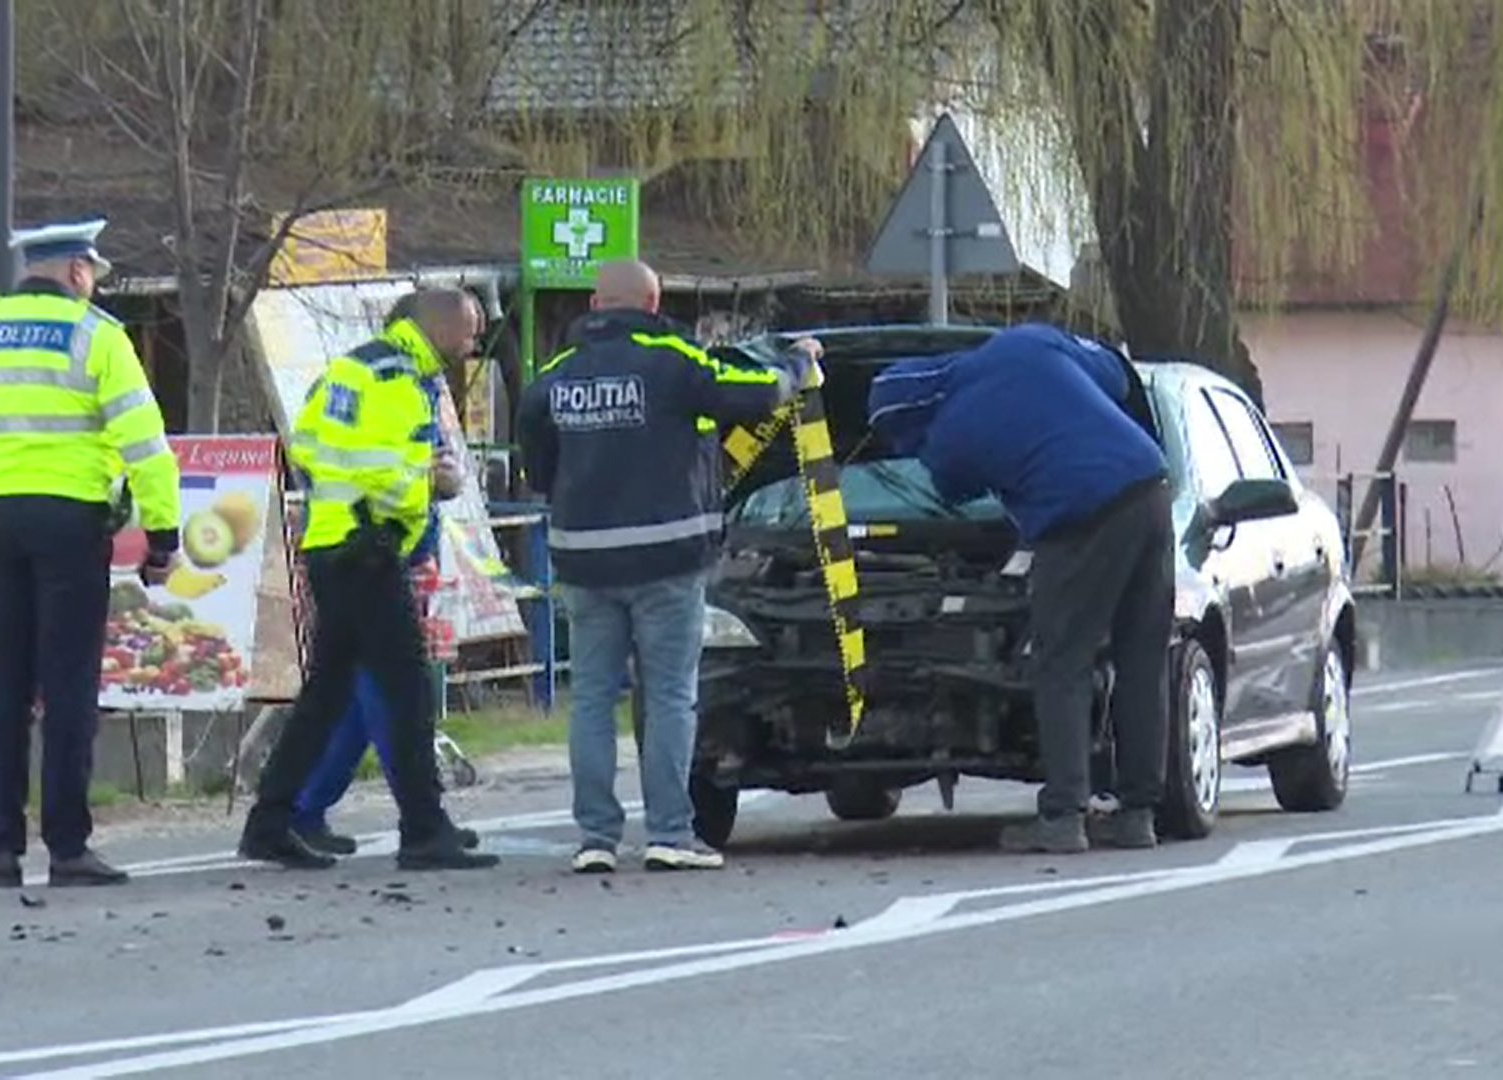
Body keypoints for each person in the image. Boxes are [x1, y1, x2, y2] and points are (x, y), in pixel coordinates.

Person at [516, 258, 822, 873]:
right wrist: (799, 363)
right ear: (653, 305)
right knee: (669, 696)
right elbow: (758, 396)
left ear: (596, 306)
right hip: (668, 556)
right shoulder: (674, 359)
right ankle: (670, 834)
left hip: (583, 559)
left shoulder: (555, 374)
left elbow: (536, 463)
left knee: (592, 699)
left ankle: (596, 840)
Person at [0, 219, 181, 888]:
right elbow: (147, 446)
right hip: (71, 525)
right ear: (77, 271)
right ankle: (68, 848)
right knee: (67, 690)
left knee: (3, 690)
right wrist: (163, 537)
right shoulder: (100, 337)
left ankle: (0, 849)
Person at [865, 321, 1172, 855]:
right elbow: (1116, 378)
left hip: (1081, 515)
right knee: (1142, 656)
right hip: (1149, 485)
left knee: (1062, 662)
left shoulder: (952, 434)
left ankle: (1064, 816)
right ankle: (1139, 813)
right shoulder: (1026, 341)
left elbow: (950, 488)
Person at [238, 288, 499, 872]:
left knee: (327, 697)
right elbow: (361, 462)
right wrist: (428, 482)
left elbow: (312, 443)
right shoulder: (395, 379)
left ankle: (271, 821)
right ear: (436, 327)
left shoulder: (364, 369)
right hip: (365, 550)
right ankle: (424, 830)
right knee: (405, 692)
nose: (474, 340)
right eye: (468, 328)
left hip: (341, 545)